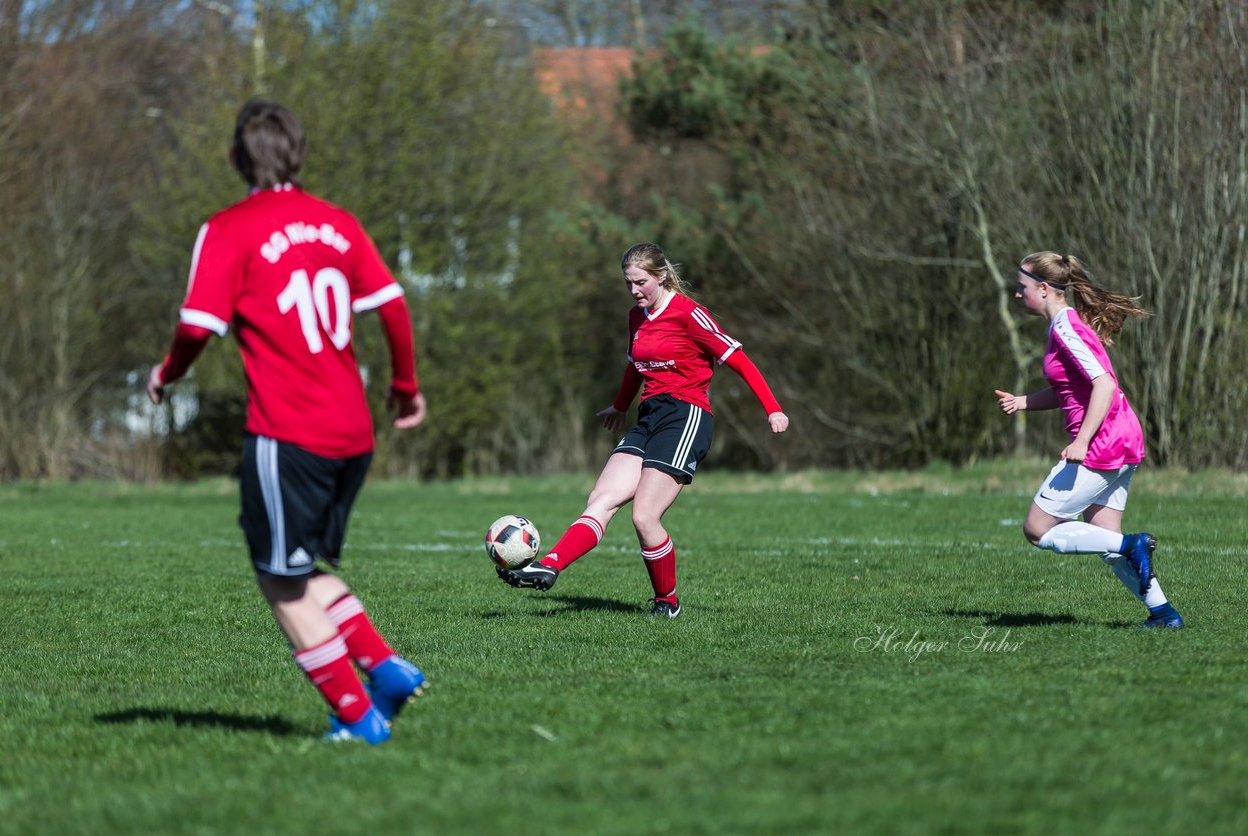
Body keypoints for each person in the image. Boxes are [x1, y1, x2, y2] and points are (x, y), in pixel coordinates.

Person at [147, 99, 429, 743]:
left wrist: (168, 371)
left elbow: (197, 325)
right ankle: (385, 670)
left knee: (279, 580)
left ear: (235, 158)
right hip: (353, 431)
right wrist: (405, 387)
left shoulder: (229, 227)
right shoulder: (338, 223)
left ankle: (359, 719)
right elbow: (392, 305)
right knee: (299, 568)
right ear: (299, 153)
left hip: (288, 433)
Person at [499, 242, 790, 617]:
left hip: (686, 417)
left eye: (640, 282)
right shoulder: (637, 317)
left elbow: (739, 361)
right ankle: (549, 565)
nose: (634, 291)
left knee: (644, 517)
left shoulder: (690, 315)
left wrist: (773, 409)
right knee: (600, 499)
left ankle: (667, 603)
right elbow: (635, 366)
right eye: (628, 283)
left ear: (661, 276)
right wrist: (620, 406)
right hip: (649, 417)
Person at [995, 251, 1183, 629]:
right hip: (1123, 436)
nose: (1017, 295)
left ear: (1045, 289)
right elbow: (1069, 390)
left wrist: (1081, 442)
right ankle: (1164, 614)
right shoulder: (1063, 326)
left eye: (1022, 288)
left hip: (1104, 442)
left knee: (1036, 529)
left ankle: (1134, 545)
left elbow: (1104, 385)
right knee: (1103, 538)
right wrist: (1024, 402)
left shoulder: (1066, 328)